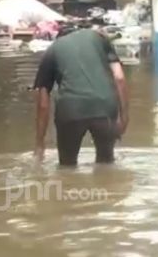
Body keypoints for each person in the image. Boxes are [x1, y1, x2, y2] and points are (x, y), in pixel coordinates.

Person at [33, 26, 129, 165]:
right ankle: (108, 185)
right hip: (104, 106)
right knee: (106, 165)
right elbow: (119, 77)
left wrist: (40, 142)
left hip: (71, 109)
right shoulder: (98, 38)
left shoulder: (52, 51)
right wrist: (124, 117)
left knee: (67, 167)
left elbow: (43, 104)